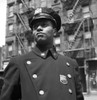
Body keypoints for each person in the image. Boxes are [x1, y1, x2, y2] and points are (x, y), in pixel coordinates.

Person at [0, 7, 84, 100]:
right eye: (35, 27)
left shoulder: (71, 64)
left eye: (44, 25)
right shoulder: (18, 63)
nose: (39, 28)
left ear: (55, 30)